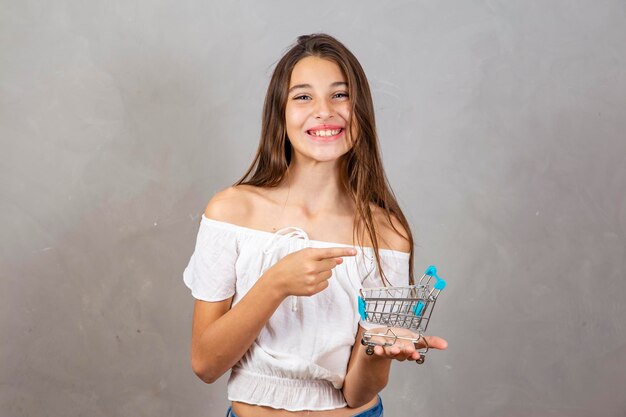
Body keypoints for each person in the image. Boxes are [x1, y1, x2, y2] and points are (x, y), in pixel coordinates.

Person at [183, 33, 448, 417]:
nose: (324, 111)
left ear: (361, 112)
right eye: (303, 96)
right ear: (281, 113)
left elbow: (357, 392)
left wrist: (379, 353)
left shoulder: (387, 233)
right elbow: (205, 364)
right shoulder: (231, 211)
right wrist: (276, 283)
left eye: (340, 95)